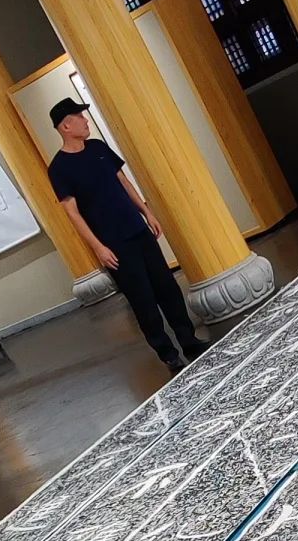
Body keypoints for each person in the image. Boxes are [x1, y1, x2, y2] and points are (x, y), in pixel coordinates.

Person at [47, 98, 203, 368]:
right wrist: (98, 247)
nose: (86, 120)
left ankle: (188, 340)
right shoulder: (59, 168)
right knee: (142, 300)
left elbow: (123, 181)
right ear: (66, 126)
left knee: (166, 287)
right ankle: (168, 354)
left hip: (138, 230)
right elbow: (73, 213)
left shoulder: (98, 148)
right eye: (80, 117)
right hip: (114, 244)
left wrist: (147, 212)